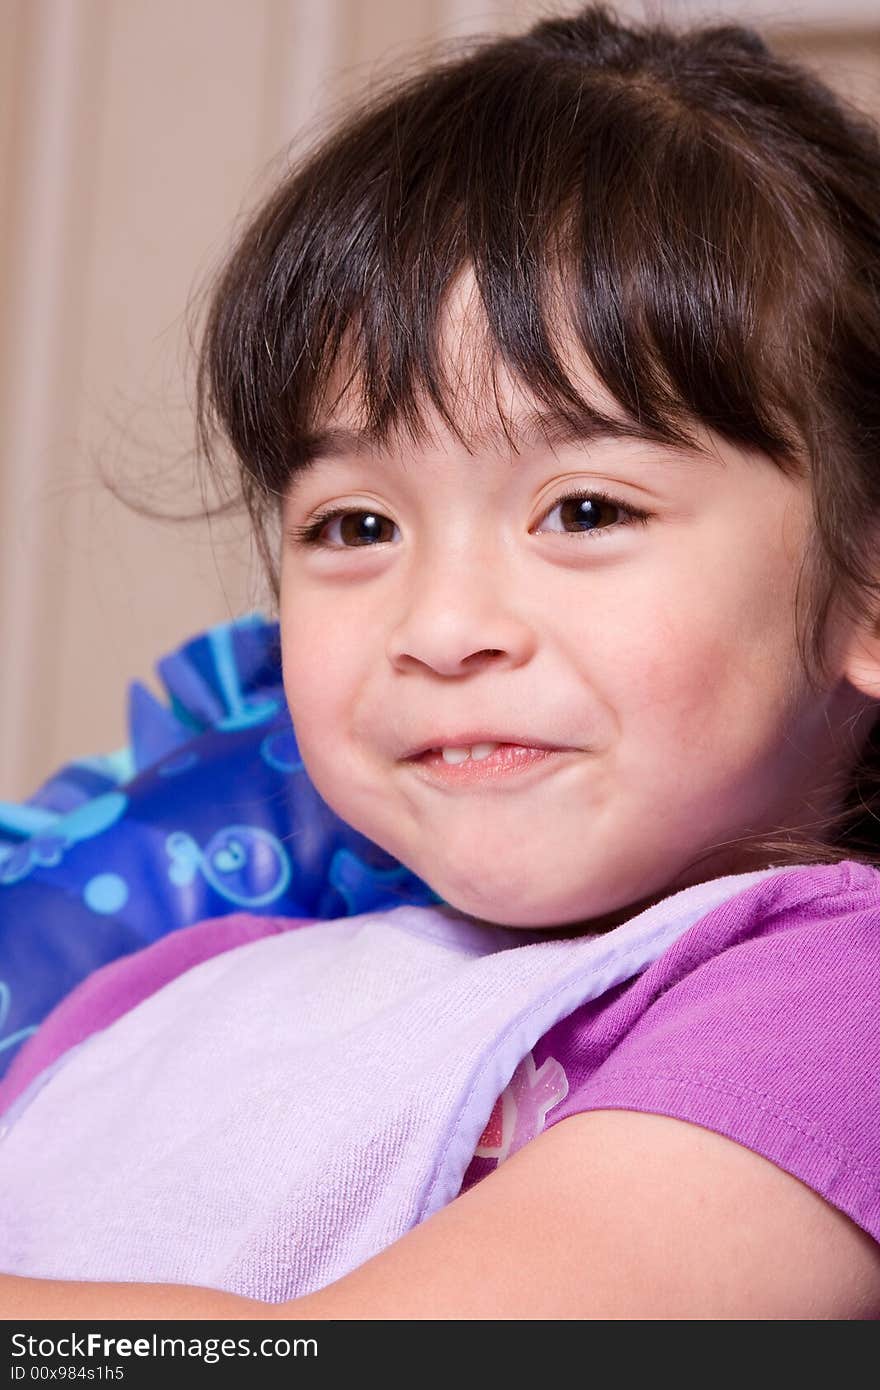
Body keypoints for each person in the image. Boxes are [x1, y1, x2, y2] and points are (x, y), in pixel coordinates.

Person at [2, 1, 880, 1318]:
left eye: (584, 510)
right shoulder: (161, 998)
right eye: (356, 525)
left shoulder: (834, 1008)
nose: (440, 622)